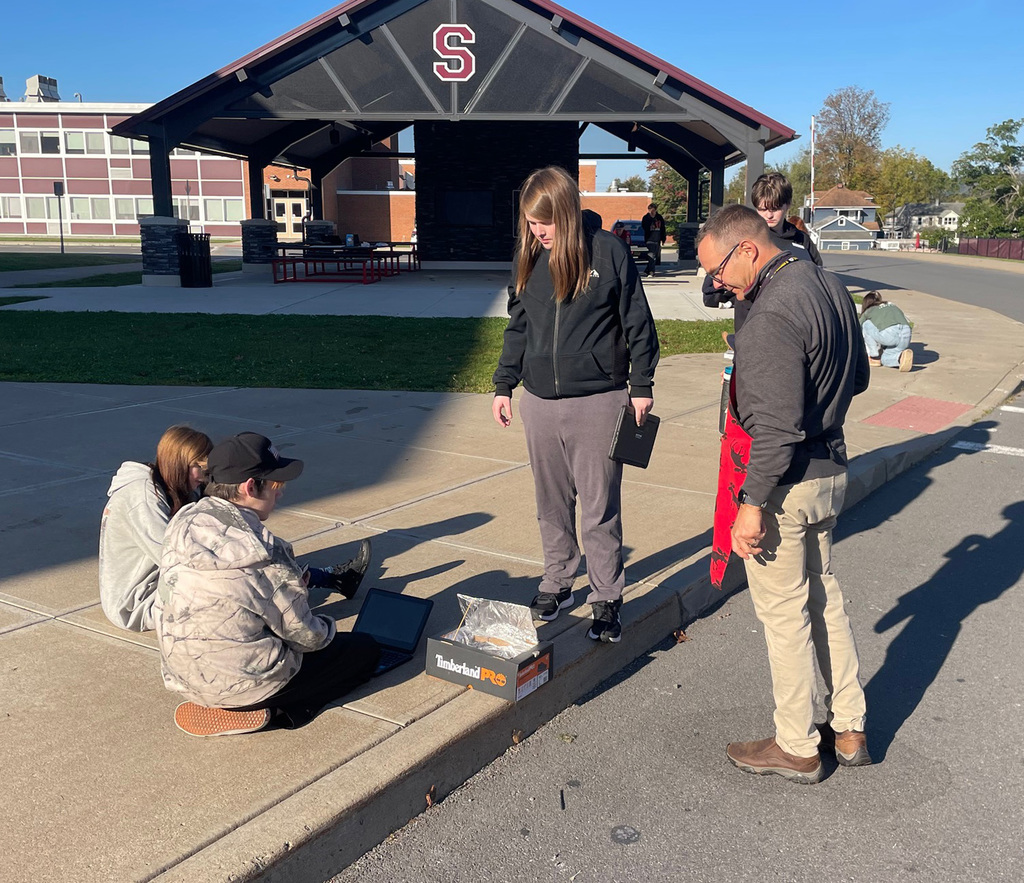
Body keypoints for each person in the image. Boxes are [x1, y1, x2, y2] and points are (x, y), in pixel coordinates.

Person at [696, 204, 871, 784]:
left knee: (785, 615)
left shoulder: (770, 314)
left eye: (718, 271)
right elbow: (860, 376)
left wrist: (750, 506)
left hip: (786, 483)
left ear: (747, 247)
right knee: (826, 597)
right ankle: (848, 727)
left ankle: (796, 744)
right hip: (831, 468)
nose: (716, 285)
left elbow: (773, 428)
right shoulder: (827, 281)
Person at [492, 166, 660, 644]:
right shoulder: (528, 256)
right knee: (550, 503)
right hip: (539, 401)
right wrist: (504, 385)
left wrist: (642, 384)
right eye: (530, 222)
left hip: (599, 400)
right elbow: (518, 326)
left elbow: (637, 322)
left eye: (544, 222)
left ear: (564, 214)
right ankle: (558, 581)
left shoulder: (608, 251)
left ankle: (606, 596)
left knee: (599, 507)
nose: (537, 231)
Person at [155, 432, 381, 737]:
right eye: (276, 485)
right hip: (246, 683)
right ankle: (276, 711)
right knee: (364, 652)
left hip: (183, 676)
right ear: (250, 487)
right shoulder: (266, 552)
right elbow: (308, 637)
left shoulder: (183, 523)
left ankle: (230, 702)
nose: (281, 493)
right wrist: (310, 608)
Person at [99, 425, 213, 632]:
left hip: (160, 585)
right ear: (177, 464)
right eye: (199, 468)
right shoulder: (142, 497)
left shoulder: (172, 488)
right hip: (138, 603)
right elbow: (174, 558)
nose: (203, 477)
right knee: (234, 596)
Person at [702, 173, 822, 333]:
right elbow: (713, 290)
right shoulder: (745, 238)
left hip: (792, 325)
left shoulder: (802, 240)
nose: (769, 215)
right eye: (763, 209)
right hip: (751, 323)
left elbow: (817, 279)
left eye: (776, 208)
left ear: (788, 204)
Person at [860, 290, 913, 371]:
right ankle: (900, 357)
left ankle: (874, 357)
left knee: (866, 324)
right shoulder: (892, 305)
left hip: (890, 334)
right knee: (885, 358)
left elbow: (857, 326)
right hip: (906, 334)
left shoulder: (869, 310)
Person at [641, 202, 667, 277]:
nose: (651, 212)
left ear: (655, 210)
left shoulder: (659, 218)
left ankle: (647, 270)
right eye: (650, 211)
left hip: (657, 239)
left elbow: (663, 229)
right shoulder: (646, 218)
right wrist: (650, 221)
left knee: (654, 256)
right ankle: (652, 271)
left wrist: (663, 238)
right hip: (650, 240)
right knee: (651, 255)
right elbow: (644, 227)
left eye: (653, 211)